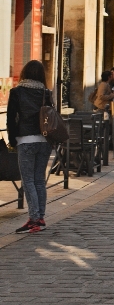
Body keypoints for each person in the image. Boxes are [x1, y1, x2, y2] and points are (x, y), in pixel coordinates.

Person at [6, 60, 53, 234]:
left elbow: (11, 119)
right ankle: (40, 216)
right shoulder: (46, 92)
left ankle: (34, 219)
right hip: (45, 141)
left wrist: (12, 139)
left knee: (28, 181)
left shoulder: (17, 92)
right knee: (39, 180)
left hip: (26, 140)